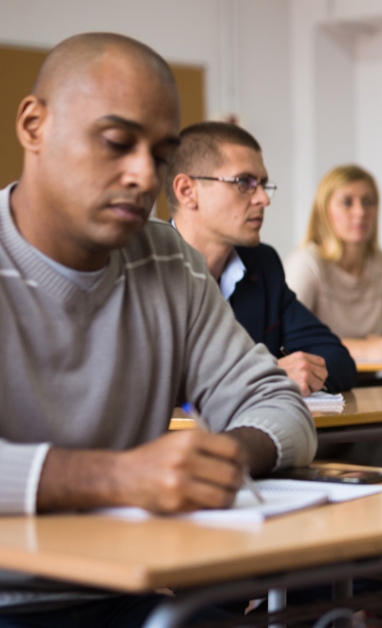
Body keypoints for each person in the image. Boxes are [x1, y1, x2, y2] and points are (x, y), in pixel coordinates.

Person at [0, 33, 315, 627]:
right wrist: (116, 477)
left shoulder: (167, 258)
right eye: (117, 143)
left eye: (161, 154)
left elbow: (276, 403)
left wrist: (219, 456)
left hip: (125, 589)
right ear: (33, 125)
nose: (145, 176)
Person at [168, 121, 356, 395]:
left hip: (261, 434)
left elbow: (338, 360)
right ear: (187, 191)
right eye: (244, 183)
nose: (263, 199)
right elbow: (144, 388)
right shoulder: (146, 269)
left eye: (263, 184)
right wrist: (264, 374)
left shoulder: (262, 264)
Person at [285, 165, 382, 363]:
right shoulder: (307, 263)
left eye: (368, 202)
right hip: (323, 388)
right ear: (323, 210)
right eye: (347, 202)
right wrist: (366, 348)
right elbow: (287, 339)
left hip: (373, 384)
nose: (360, 212)